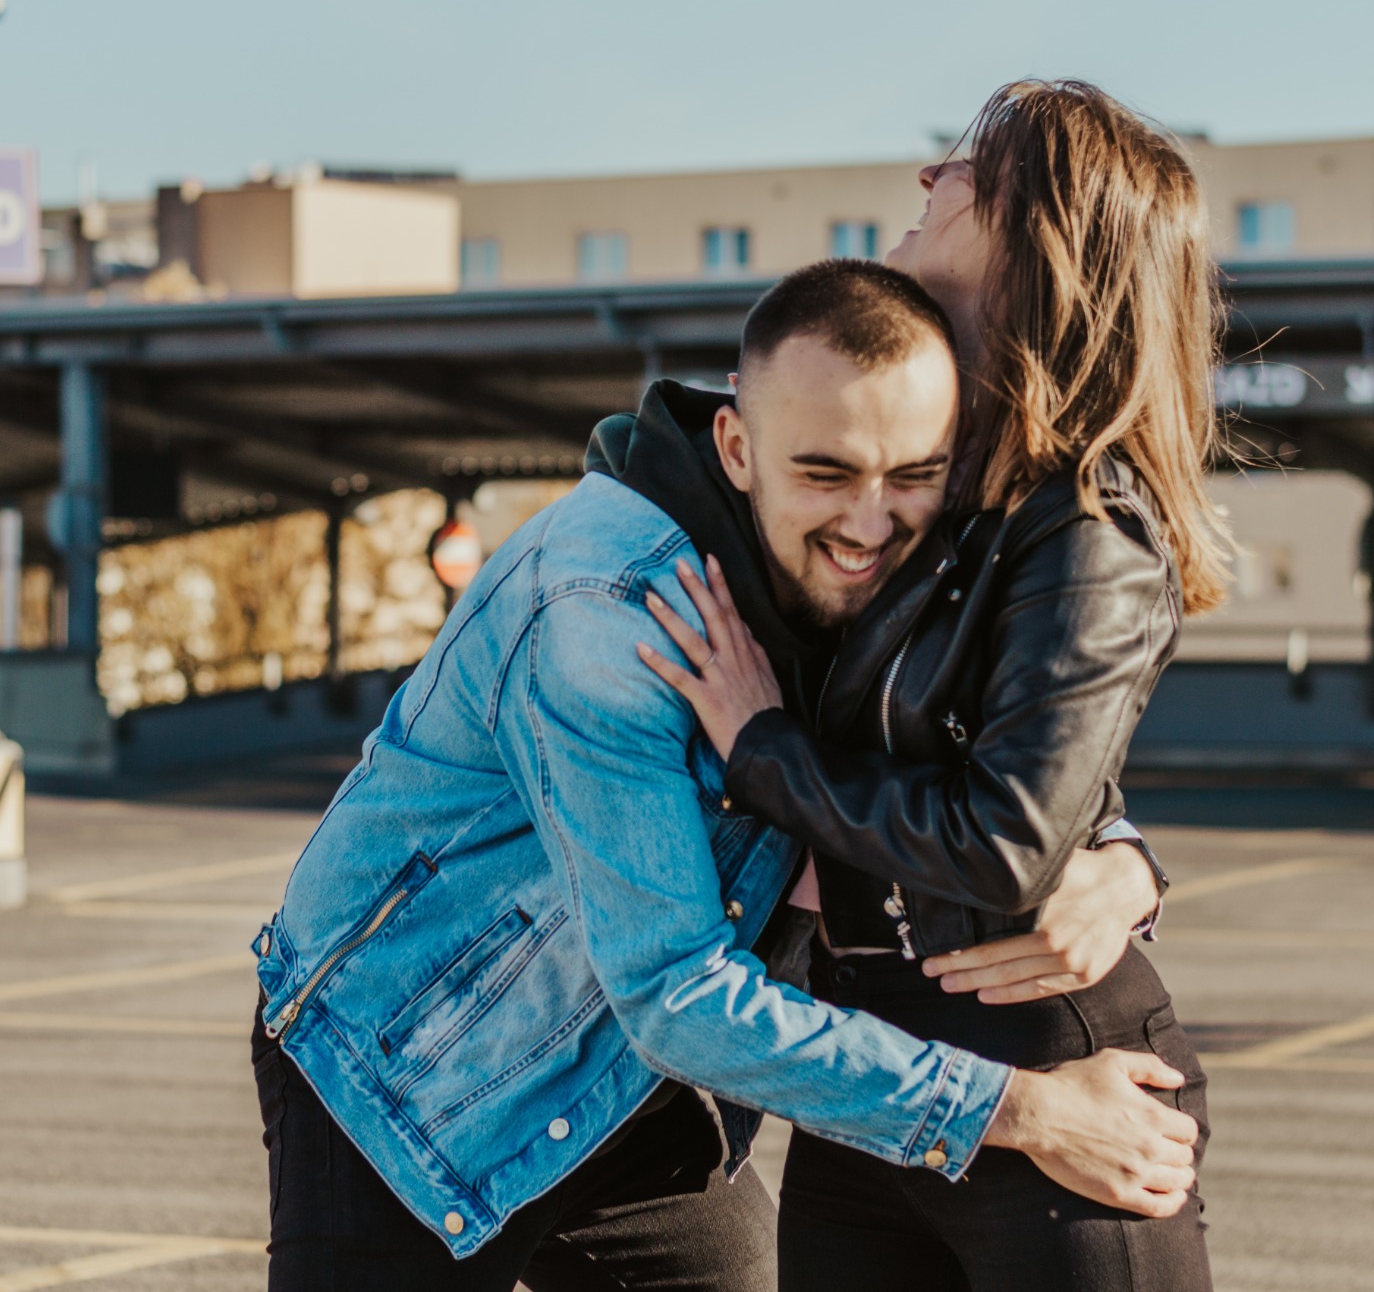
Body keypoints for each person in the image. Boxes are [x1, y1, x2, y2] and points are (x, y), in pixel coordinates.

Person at [251, 258, 1202, 1292]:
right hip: (417, 1079)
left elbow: (991, 746)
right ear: (737, 448)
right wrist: (1023, 1112)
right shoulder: (607, 622)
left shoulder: (882, 564)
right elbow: (673, 992)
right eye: (826, 474)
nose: (871, 523)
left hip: (641, 1083)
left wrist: (1118, 855)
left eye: (912, 475)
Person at [635, 80, 1231, 1291]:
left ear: (1032, 234)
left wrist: (761, 748)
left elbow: (1007, 841)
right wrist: (1130, 857)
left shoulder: (1089, 532)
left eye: (958, 167)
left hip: (1052, 1075)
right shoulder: (924, 491)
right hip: (877, 1085)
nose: (923, 183)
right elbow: (655, 439)